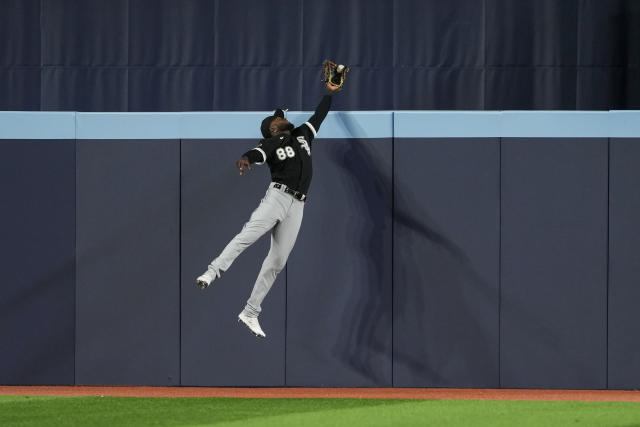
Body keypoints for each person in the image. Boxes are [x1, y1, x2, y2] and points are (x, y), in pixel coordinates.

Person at [196, 80, 342, 338]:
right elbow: (256, 152)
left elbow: (320, 115)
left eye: (278, 119)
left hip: (298, 205)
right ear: (271, 130)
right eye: (274, 122)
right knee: (247, 237)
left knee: (278, 261)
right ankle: (211, 272)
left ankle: (250, 312)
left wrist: (330, 91)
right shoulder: (272, 142)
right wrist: (246, 158)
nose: (278, 121)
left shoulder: (303, 134)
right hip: (277, 197)